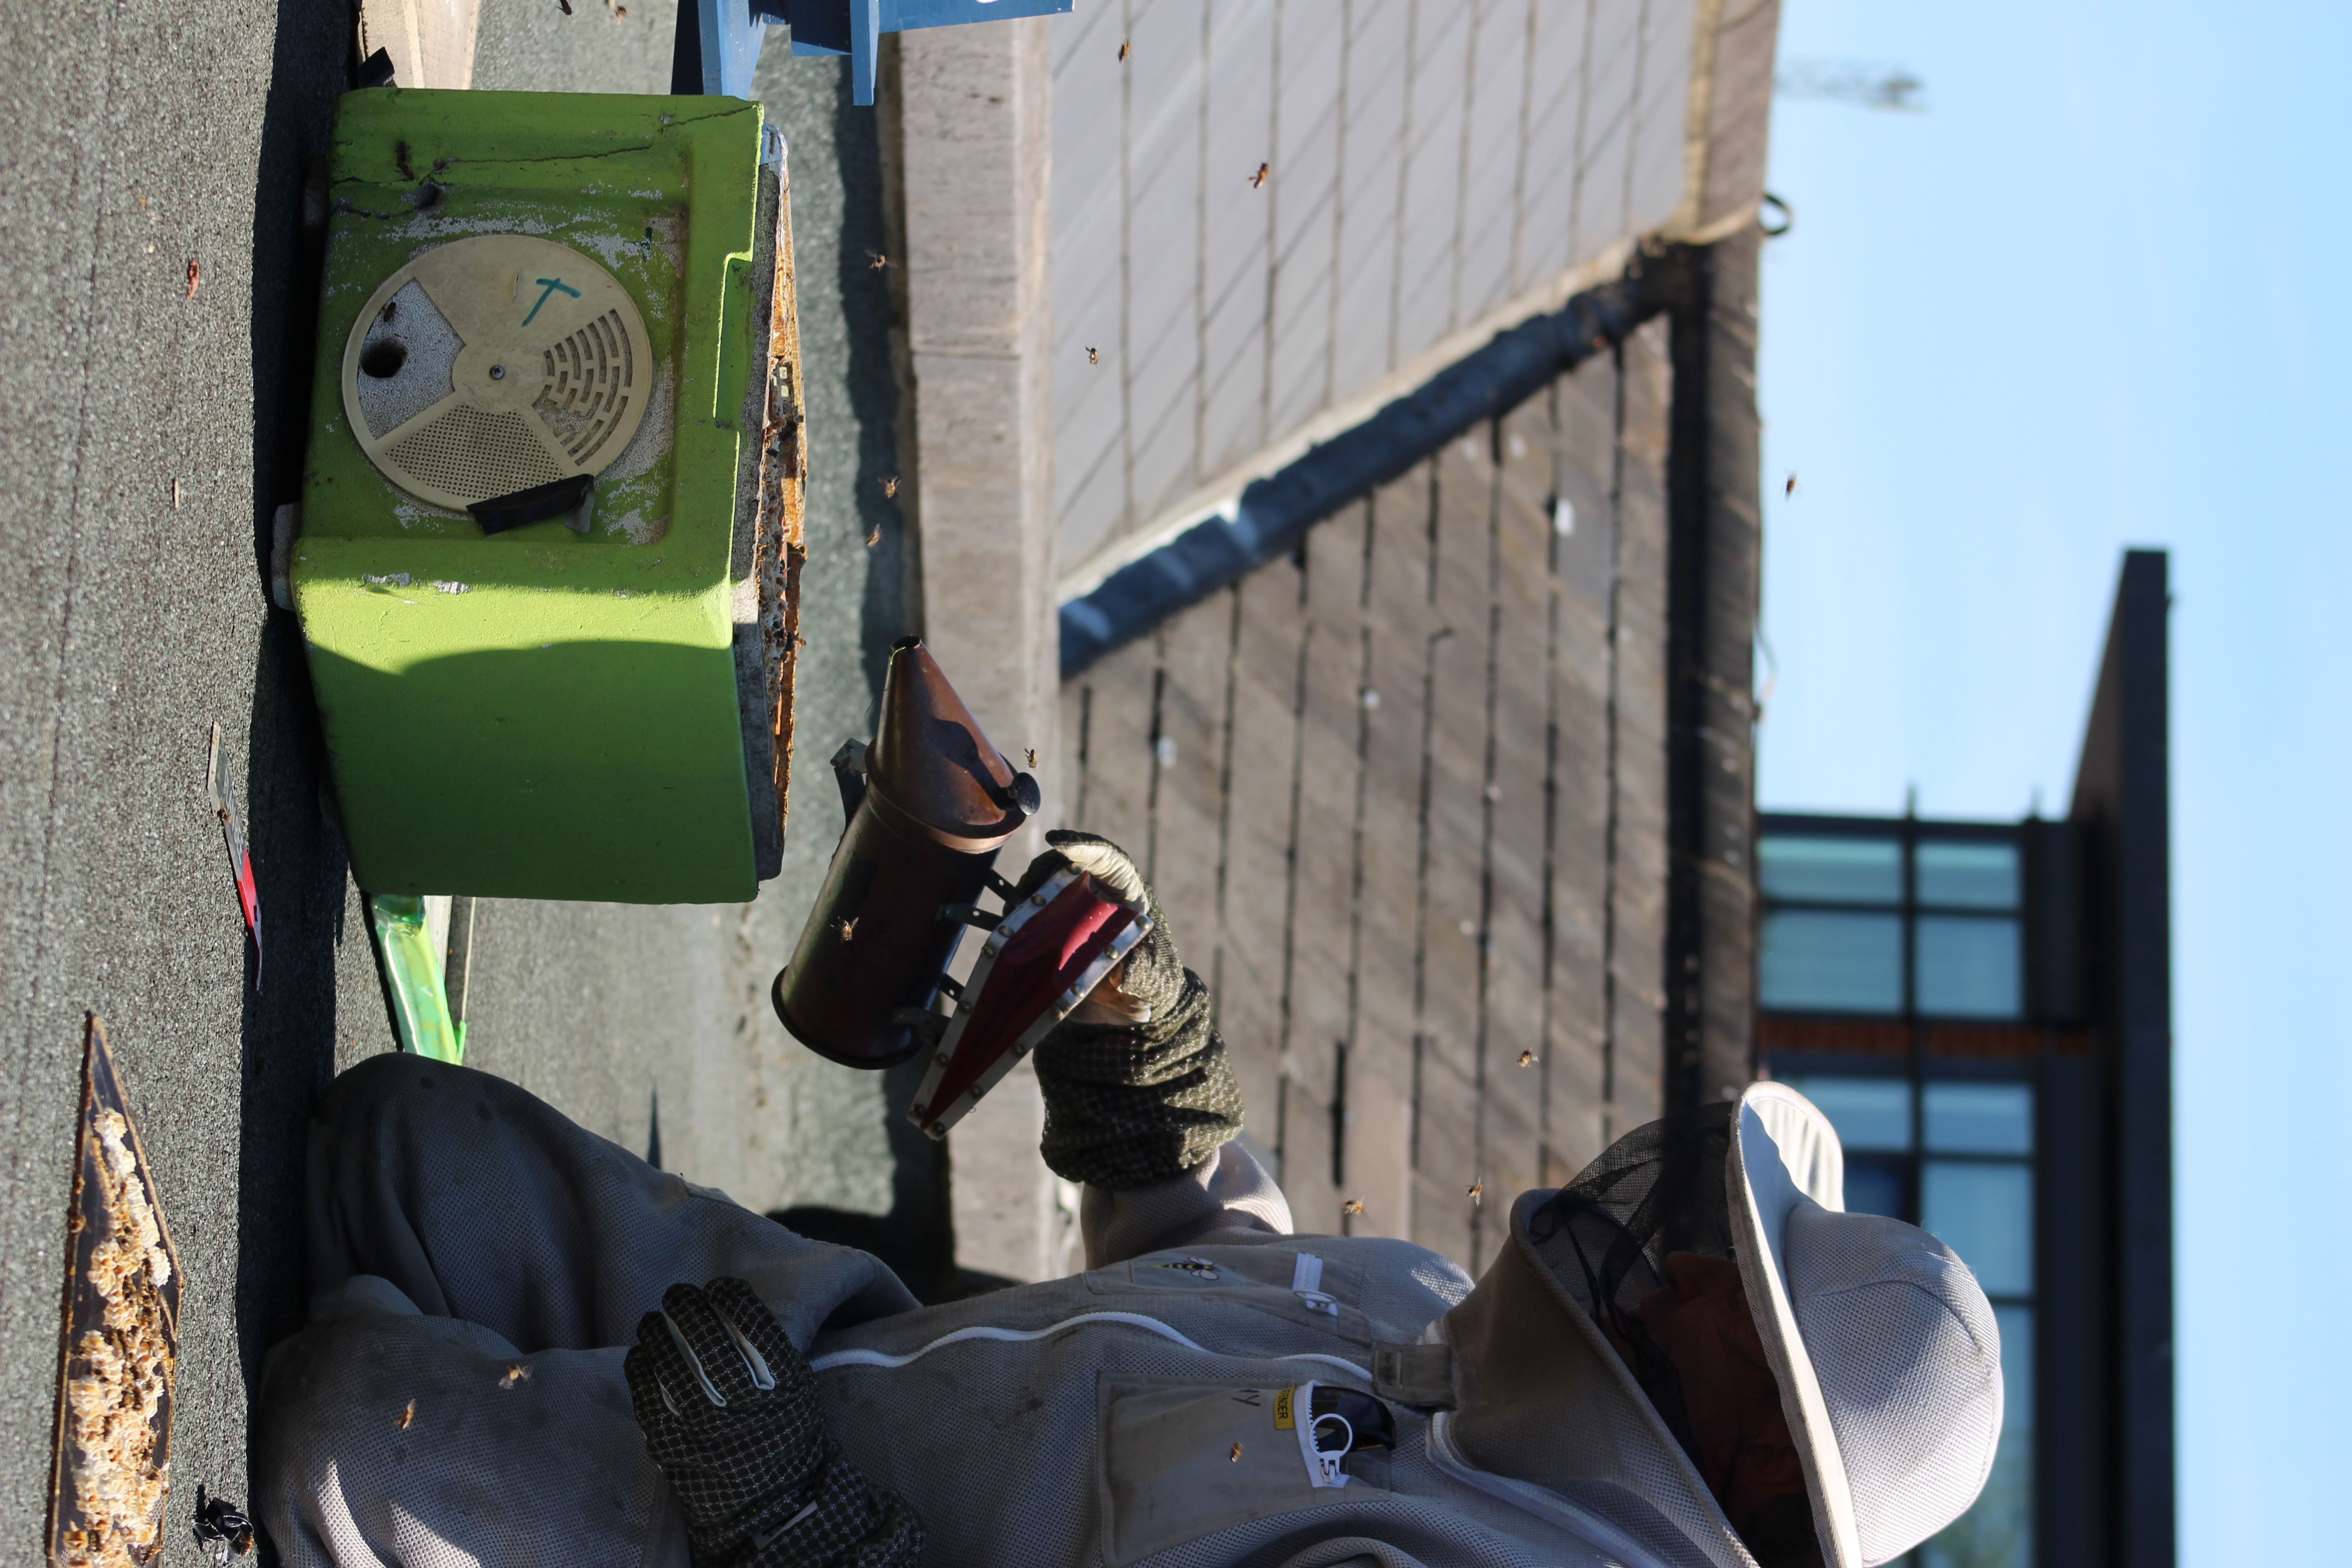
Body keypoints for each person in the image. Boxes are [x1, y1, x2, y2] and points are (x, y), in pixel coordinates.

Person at [253, 834, 2002, 1568]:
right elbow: (1221, 1283)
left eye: (1742, 1289)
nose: (1692, 1258)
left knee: (340, 1413)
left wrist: (791, 1532)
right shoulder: (1453, 1333)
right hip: (822, 1358)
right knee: (393, 1145)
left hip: (769, 1527)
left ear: (1770, 1452)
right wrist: (1141, 1072)